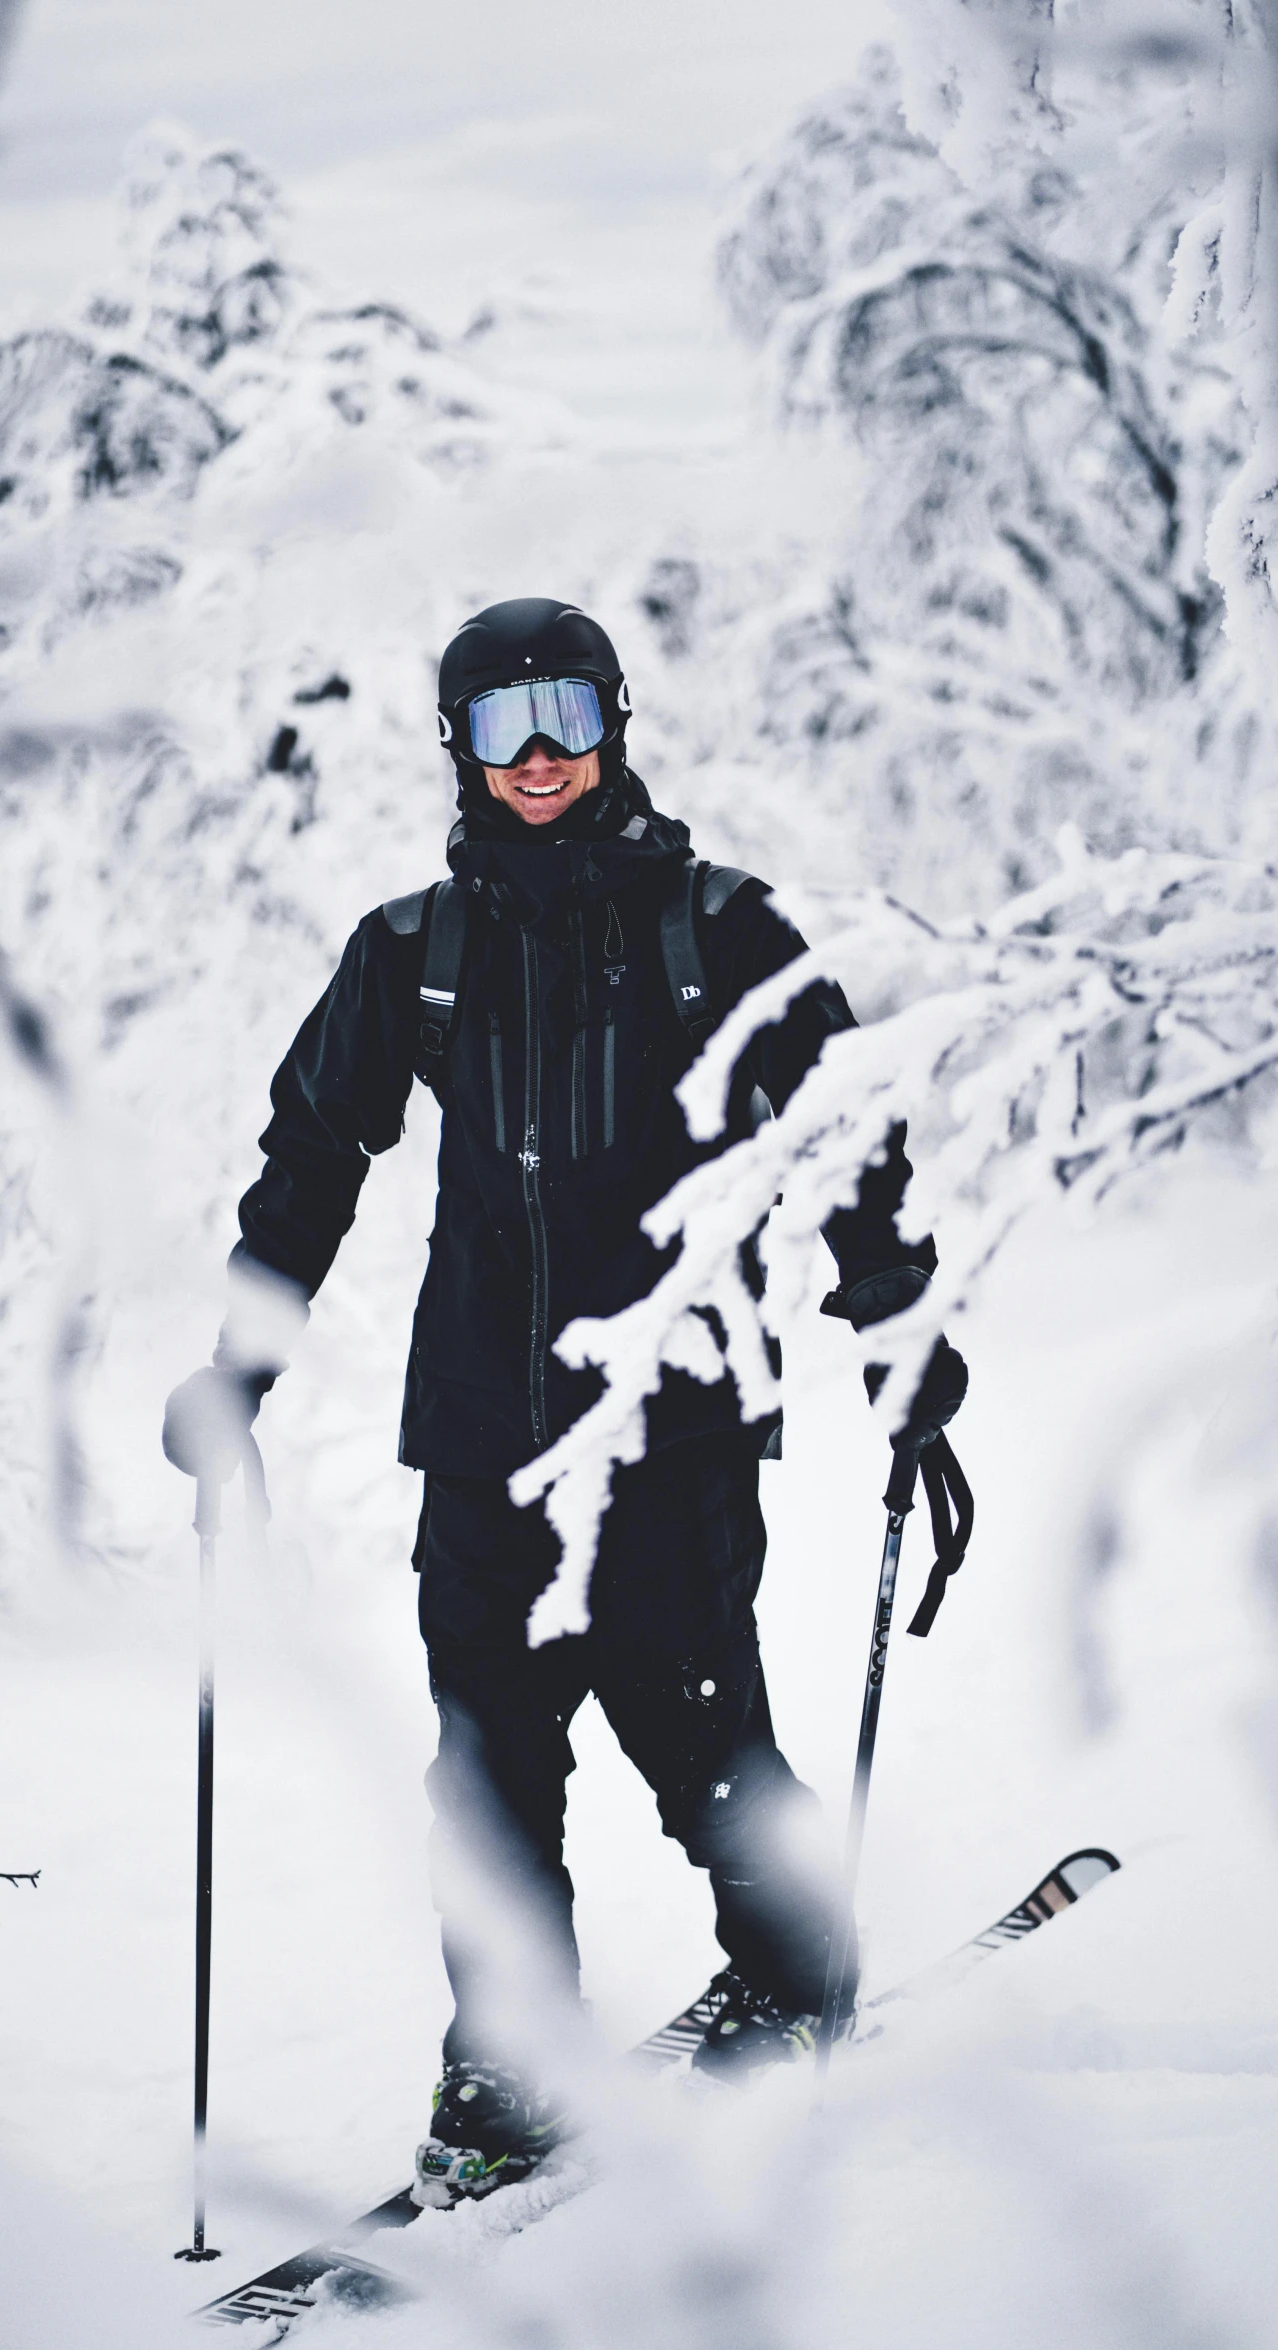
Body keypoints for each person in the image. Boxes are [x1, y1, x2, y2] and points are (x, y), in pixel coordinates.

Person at [163, 597, 966, 2205]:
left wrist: (903, 1354)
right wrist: (236, 1364)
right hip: (474, 1428)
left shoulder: (721, 932)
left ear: (614, 722)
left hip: (670, 1422)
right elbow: (312, 1158)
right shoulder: (412, 954)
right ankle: (515, 2061)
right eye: (498, 720)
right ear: (453, 745)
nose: (536, 754)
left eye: (564, 716)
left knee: (697, 1734)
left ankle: (798, 1962)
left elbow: (846, 1152)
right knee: (485, 1762)